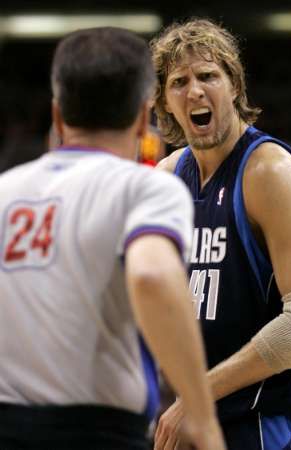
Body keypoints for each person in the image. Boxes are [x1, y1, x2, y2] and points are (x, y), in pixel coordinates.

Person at [0, 27, 226, 450]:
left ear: (57, 116)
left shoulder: (4, 192)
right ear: (145, 117)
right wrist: (203, 420)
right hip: (98, 432)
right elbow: (153, 278)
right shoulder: (146, 187)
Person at [150, 18, 291, 450]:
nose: (195, 90)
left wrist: (197, 396)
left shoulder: (267, 171)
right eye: (179, 81)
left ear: (234, 85)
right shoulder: (165, 179)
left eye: (208, 75)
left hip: (272, 425)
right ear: (164, 101)